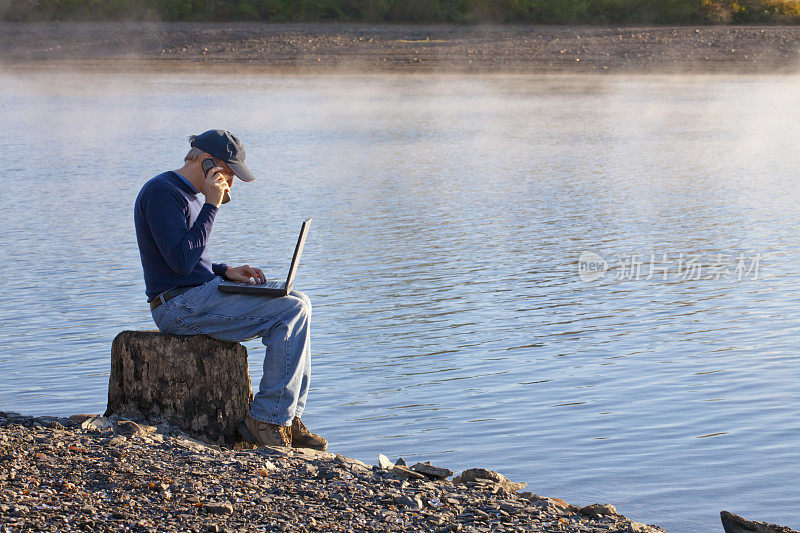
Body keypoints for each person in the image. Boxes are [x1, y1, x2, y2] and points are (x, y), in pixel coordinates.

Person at [133, 129, 326, 450]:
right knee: (290, 310)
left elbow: (185, 259)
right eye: (230, 173)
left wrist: (225, 271)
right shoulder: (161, 192)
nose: (231, 183)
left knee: (299, 300)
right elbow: (180, 265)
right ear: (208, 163)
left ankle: (287, 416)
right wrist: (211, 204)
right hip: (176, 307)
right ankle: (267, 420)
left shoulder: (185, 195)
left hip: (197, 294)